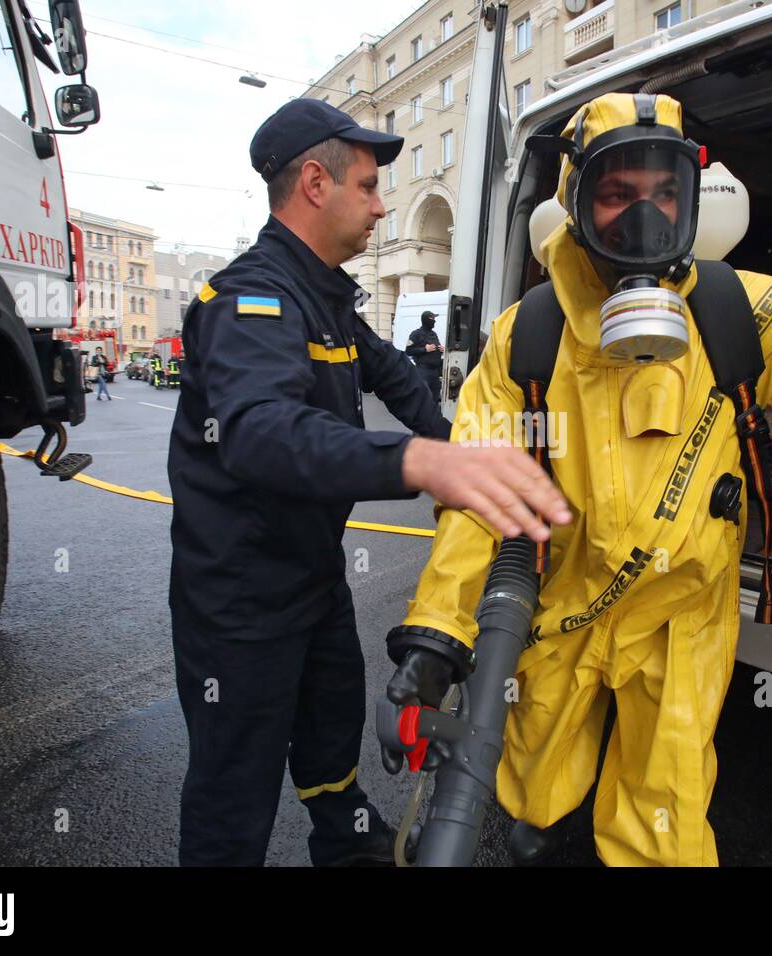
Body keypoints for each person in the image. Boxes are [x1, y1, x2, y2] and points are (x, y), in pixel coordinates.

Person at [380, 92, 772, 866]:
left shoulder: (753, 313)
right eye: (616, 194)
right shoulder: (528, 337)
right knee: (531, 775)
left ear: (691, 201)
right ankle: (536, 825)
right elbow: (480, 491)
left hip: (682, 611)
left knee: (661, 812)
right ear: (574, 202)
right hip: (564, 597)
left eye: (664, 195)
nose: (643, 221)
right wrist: (439, 631)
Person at [166, 98, 571, 867]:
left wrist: (473, 460)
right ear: (314, 184)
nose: (384, 206)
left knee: (329, 730)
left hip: (311, 575)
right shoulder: (250, 300)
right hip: (240, 599)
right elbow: (259, 434)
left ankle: (345, 842)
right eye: (368, 186)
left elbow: (396, 378)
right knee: (233, 786)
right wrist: (419, 464)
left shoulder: (326, 299)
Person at [405, 310, 444, 403]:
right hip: (423, 371)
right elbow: (408, 351)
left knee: (434, 399)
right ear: (425, 320)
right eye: (432, 319)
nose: (434, 321)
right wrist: (424, 349)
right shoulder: (416, 334)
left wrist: (441, 349)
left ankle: (433, 417)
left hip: (435, 372)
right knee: (424, 399)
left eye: (434, 319)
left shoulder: (434, 334)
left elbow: (436, 348)